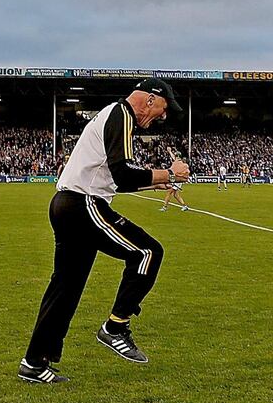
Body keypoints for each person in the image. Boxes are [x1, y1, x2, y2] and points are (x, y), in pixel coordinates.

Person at [19, 78, 188, 384]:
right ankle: (116, 326)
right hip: (83, 205)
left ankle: (33, 363)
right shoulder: (122, 114)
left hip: (66, 204)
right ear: (150, 100)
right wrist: (168, 172)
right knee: (147, 252)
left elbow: (114, 175)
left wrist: (155, 181)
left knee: (65, 289)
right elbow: (122, 175)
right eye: (163, 108)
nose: (163, 116)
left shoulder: (113, 115)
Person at [160, 147, 189, 212]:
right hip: (177, 179)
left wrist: (170, 151)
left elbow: (173, 157)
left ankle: (164, 207)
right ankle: (184, 206)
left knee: (169, 192)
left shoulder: (177, 161)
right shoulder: (180, 162)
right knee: (175, 195)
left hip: (177, 179)